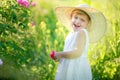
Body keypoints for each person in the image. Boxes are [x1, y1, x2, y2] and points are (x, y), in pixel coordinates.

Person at [51, 4, 107, 80]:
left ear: (88, 24)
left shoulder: (82, 32)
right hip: (69, 64)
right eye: (75, 17)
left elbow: (77, 52)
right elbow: (69, 50)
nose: (77, 21)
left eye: (82, 20)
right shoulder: (71, 33)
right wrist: (61, 58)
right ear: (71, 18)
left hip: (76, 67)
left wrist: (61, 54)